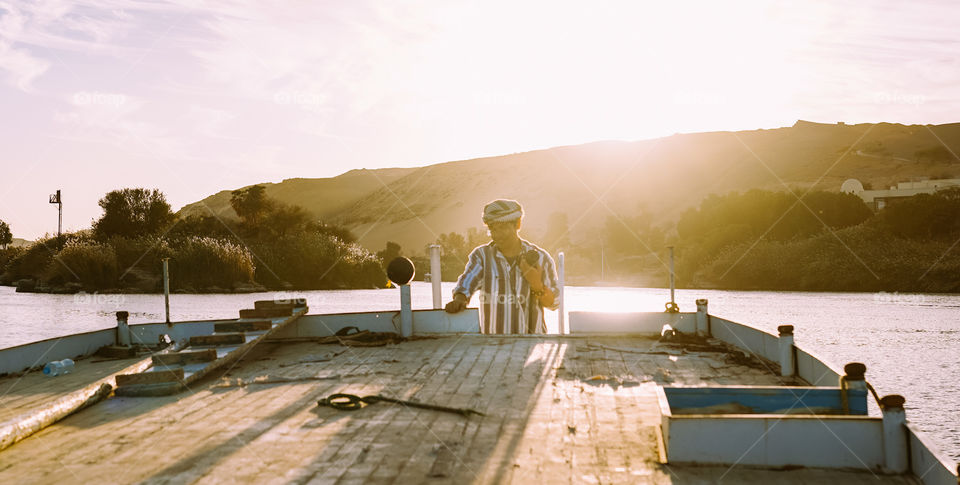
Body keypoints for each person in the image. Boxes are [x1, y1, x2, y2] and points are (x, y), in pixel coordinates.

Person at [444, 199, 560, 334]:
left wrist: (536, 285)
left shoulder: (541, 258)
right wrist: (459, 300)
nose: (496, 234)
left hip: (532, 346)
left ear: (517, 224)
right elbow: (466, 285)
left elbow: (554, 303)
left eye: (503, 227)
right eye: (492, 229)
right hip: (493, 346)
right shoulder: (482, 256)